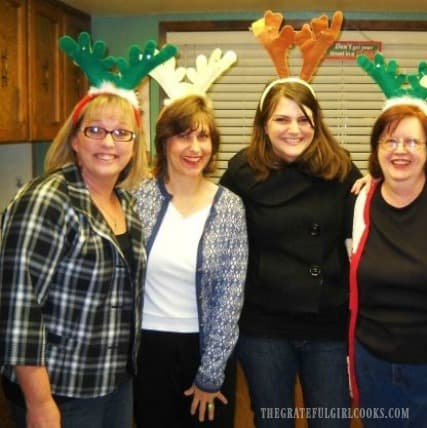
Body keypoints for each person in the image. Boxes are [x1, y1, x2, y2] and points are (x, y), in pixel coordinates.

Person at [0, 91, 149, 428]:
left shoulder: (126, 204)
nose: (108, 142)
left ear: (134, 145)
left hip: (113, 381)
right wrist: (39, 403)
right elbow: (18, 307)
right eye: (95, 130)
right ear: (75, 140)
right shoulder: (47, 200)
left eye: (121, 132)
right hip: (59, 388)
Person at [219, 78, 361, 427]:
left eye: (304, 120)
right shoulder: (241, 173)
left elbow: (364, 233)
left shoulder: (341, 169)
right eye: (282, 119)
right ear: (264, 124)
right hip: (264, 323)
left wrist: (380, 183)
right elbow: (218, 240)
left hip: (327, 321)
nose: (294, 129)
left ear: (317, 123)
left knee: (332, 420)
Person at [348, 102, 427, 427]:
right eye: (390, 141)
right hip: (372, 365)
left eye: (412, 142)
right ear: (376, 149)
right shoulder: (360, 200)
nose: (400, 151)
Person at [132, 94, 247, 427]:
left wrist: (210, 375)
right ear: (165, 141)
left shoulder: (229, 207)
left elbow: (230, 297)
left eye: (203, 136)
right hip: (147, 351)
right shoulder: (139, 198)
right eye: (183, 135)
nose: (194, 147)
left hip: (206, 349)